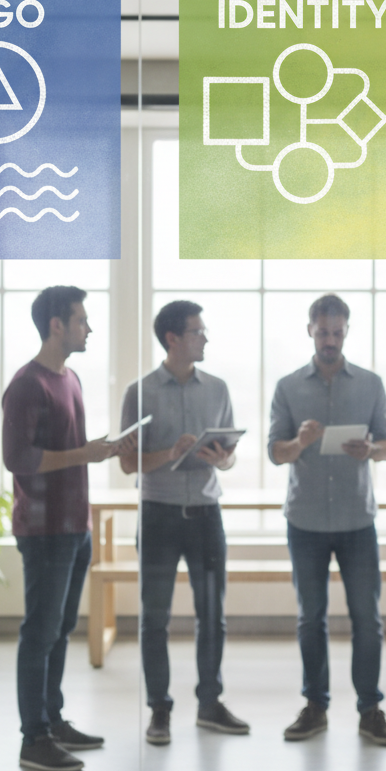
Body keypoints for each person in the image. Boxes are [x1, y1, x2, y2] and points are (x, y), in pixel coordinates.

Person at [3, 285, 132, 771]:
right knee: (39, 631)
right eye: (81, 320)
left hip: (76, 526)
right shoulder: (26, 385)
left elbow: (70, 449)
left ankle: (52, 721)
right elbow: (17, 459)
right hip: (44, 531)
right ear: (56, 325)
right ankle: (32, 739)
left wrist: (104, 449)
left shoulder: (71, 378)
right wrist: (84, 453)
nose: (89, 327)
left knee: (59, 629)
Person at [268, 294, 386, 746]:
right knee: (311, 619)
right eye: (323, 332)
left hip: (357, 521)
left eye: (337, 333)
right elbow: (274, 452)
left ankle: (370, 710)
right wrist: (299, 443)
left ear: (347, 331)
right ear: (310, 330)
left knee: (368, 619)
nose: (330, 340)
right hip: (305, 521)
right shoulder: (288, 387)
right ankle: (315, 706)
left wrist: (373, 451)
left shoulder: (370, 384)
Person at [119, 300, 248, 746]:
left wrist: (222, 457)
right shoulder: (140, 393)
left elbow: (229, 458)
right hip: (158, 517)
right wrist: (171, 453)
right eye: (197, 331)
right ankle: (159, 711)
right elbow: (127, 464)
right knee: (154, 619)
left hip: (207, 517)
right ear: (173, 339)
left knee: (212, 616)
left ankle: (210, 705)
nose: (205, 337)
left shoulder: (218, 388)